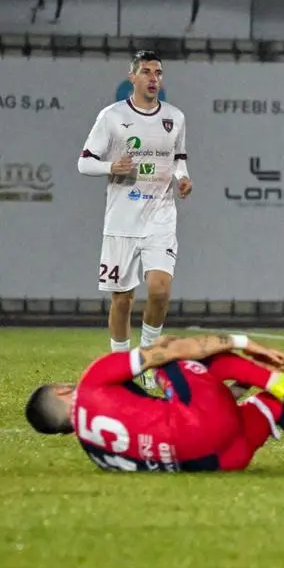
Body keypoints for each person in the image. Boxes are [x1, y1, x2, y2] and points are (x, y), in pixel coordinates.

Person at [24, 334, 284, 472]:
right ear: (62, 392)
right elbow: (168, 353)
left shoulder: (97, 455)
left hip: (221, 457)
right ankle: (277, 379)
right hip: (206, 428)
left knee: (272, 410)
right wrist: (243, 344)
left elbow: (167, 427)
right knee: (175, 354)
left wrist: (230, 393)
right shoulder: (92, 380)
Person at [78, 50, 191, 389]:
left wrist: (183, 178)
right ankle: (119, 365)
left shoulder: (175, 117)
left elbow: (180, 159)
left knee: (160, 289)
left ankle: (147, 356)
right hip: (122, 221)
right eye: (146, 71)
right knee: (122, 299)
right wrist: (111, 166)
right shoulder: (111, 117)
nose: (153, 77)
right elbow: (84, 162)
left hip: (160, 216)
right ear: (133, 78)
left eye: (158, 72)